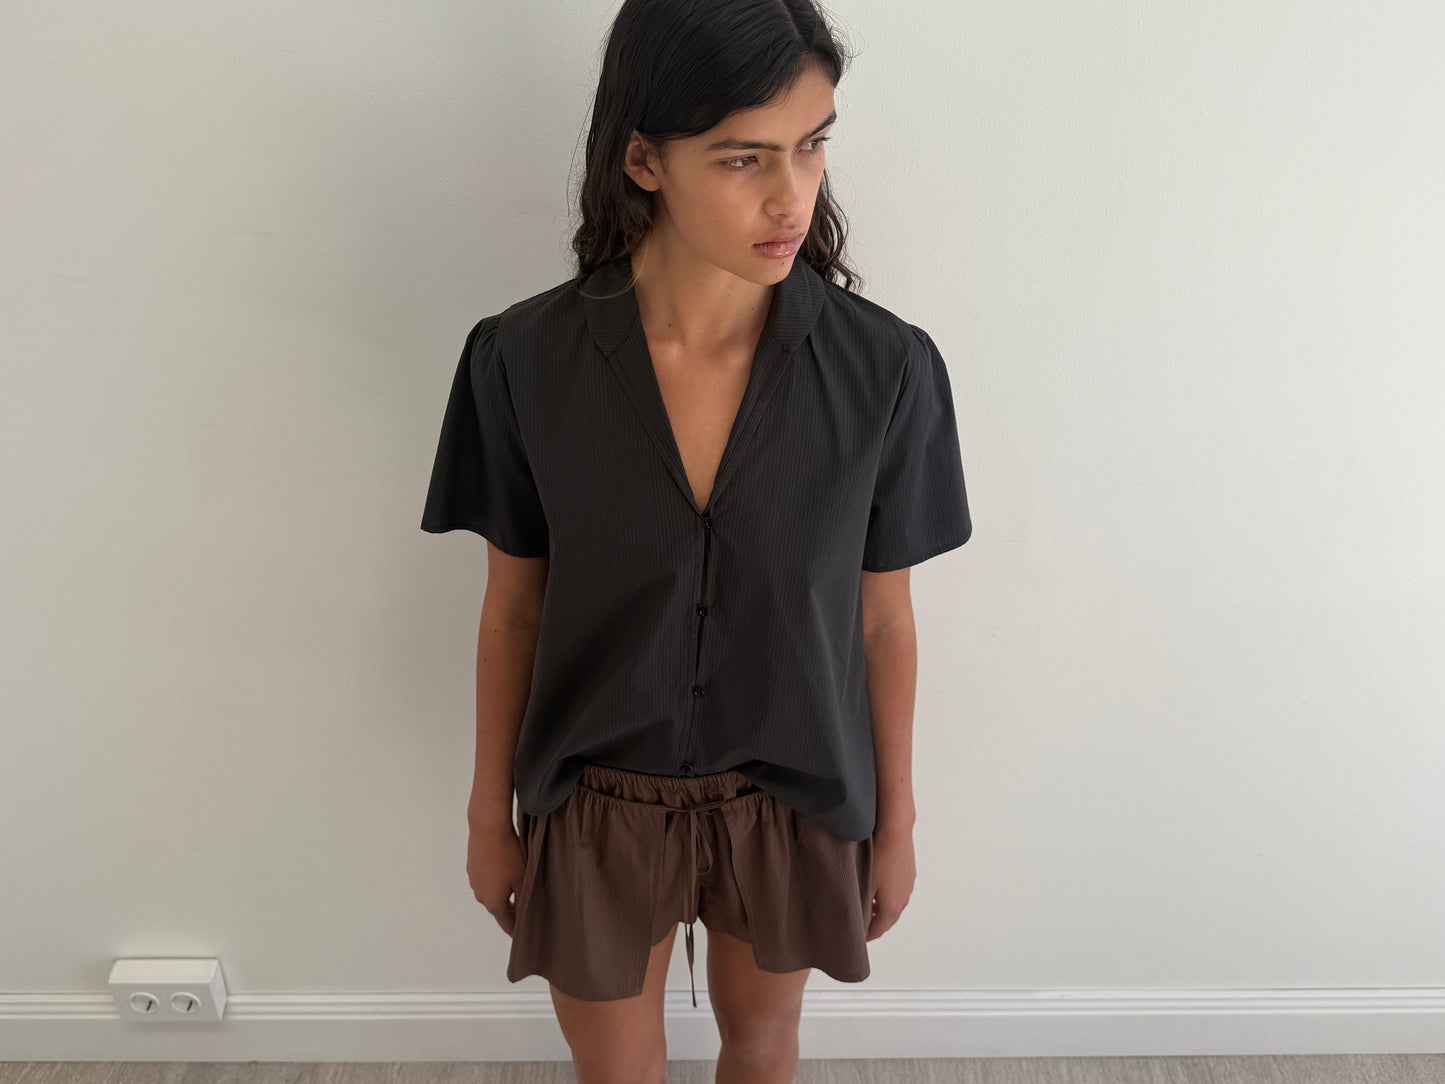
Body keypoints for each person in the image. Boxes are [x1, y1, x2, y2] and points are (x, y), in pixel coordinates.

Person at [421, 1, 972, 1081]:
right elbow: (516, 608)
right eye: (741, 158)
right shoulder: (522, 361)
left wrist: (893, 821)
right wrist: (491, 812)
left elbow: (881, 619)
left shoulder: (885, 372)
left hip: (794, 790)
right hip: (596, 798)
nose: (790, 195)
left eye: (811, 145)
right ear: (643, 158)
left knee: (763, 1047)